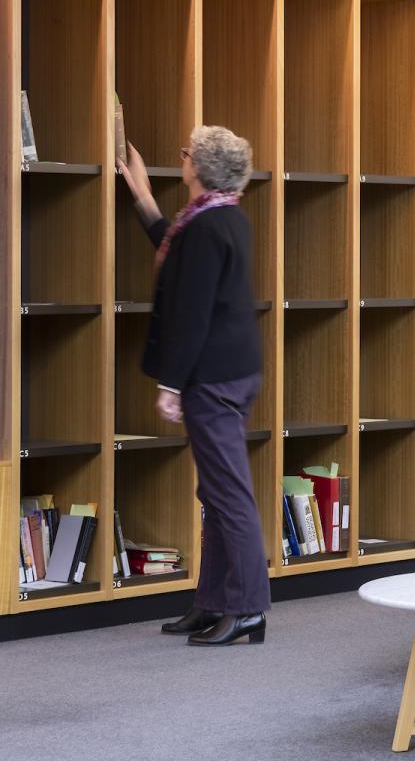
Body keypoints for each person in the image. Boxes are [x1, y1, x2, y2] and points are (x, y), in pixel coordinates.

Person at [119, 125, 270, 646]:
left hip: (214, 377)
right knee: (216, 491)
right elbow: (175, 251)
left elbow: (192, 311)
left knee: (229, 495)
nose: (181, 157)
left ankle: (248, 606)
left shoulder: (206, 226)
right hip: (232, 371)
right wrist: (141, 194)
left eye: (185, 153)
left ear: (199, 168)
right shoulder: (217, 217)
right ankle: (212, 601)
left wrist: (172, 384)